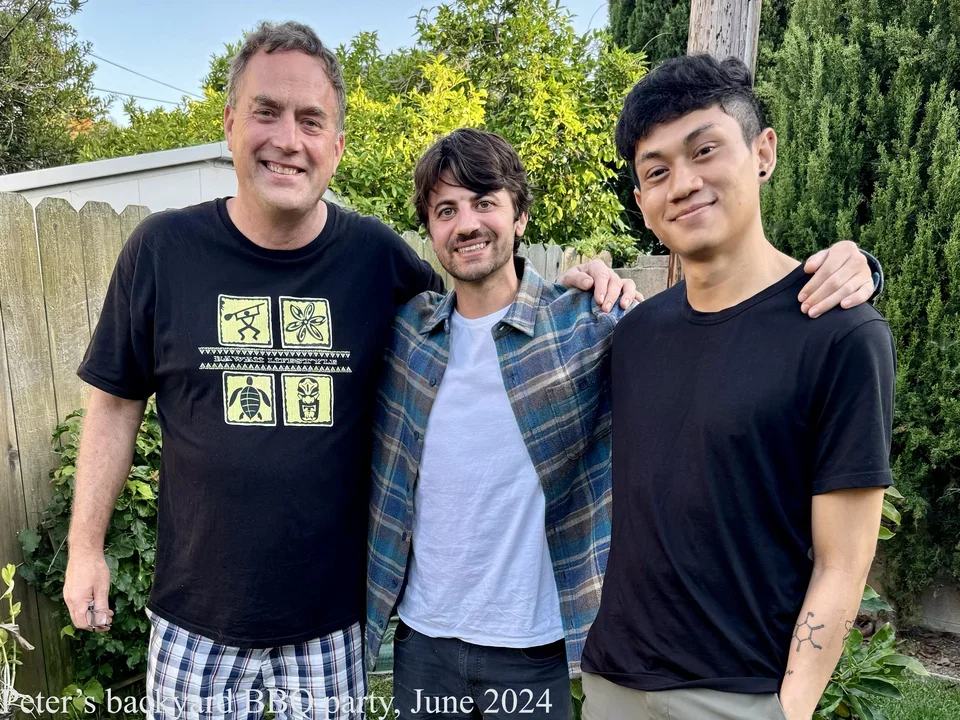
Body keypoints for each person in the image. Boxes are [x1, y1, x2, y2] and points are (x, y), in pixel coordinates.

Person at [61, 22, 631, 720]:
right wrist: (86, 548)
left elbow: (481, 302)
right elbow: (115, 404)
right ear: (231, 124)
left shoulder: (376, 259)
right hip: (194, 617)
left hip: (332, 626)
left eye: (311, 120)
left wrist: (594, 283)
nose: (288, 140)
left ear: (336, 144)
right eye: (267, 112)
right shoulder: (162, 249)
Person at [365, 127, 882, 719]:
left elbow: (717, 316)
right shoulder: (407, 335)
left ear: (521, 216)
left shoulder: (591, 323)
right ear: (430, 230)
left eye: (485, 203)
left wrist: (857, 266)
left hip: (534, 646)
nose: (466, 225)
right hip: (422, 641)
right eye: (445, 210)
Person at [579, 55, 895, 720]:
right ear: (641, 202)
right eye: (656, 171)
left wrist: (791, 707)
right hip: (612, 681)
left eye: (705, 150)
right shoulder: (634, 334)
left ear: (763, 152)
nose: (683, 183)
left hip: (738, 697)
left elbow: (845, 561)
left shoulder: (839, 335)